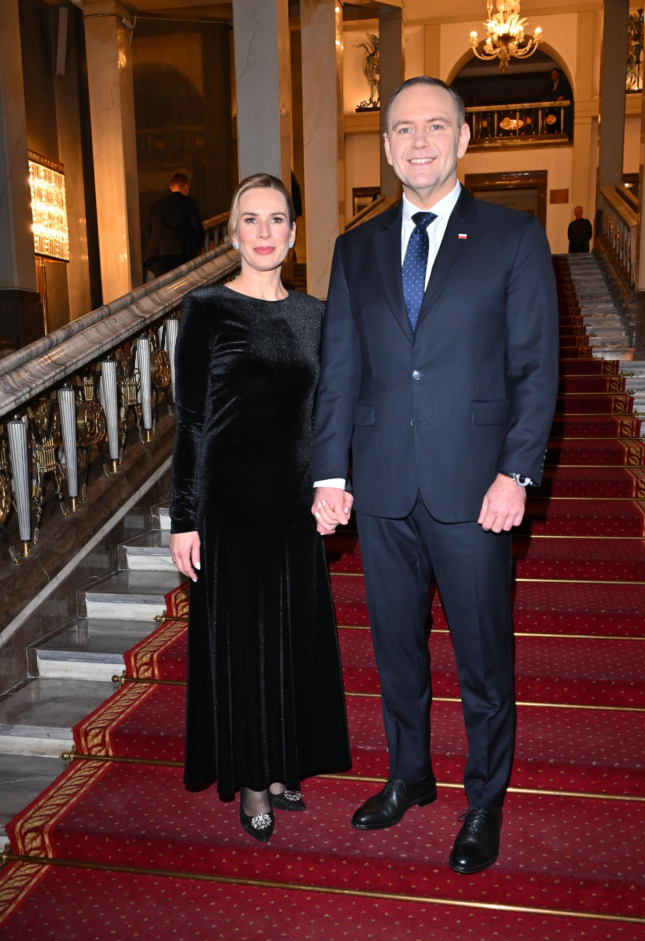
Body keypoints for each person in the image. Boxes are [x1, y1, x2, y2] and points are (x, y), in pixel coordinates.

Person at [311, 77, 558, 875]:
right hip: (382, 487)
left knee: (482, 659)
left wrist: (515, 473)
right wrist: (328, 472)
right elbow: (338, 371)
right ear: (386, 146)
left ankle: (483, 798)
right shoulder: (355, 249)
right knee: (395, 651)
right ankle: (409, 775)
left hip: (474, 489)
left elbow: (534, 367)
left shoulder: (514, 237)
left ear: (462, 139)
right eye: (402, 129)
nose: (418, 142)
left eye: (434, 127)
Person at [169, 173, 351, 843]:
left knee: (291, 635)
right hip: (230, 503)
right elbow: (191, 421)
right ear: (232, 234)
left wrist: (333, 483)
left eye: (276, 219)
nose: (264, 231)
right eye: (251, 219)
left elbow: (330, 413)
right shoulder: (206, 307)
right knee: (245, 642)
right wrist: (184, 517)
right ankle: (252, 777)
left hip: (294, 501)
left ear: (294, 233)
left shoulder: (316, 315)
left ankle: (282, 764)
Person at [143, 172, 205, 281]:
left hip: (159, 256)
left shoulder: (155, 206)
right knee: (184, 285)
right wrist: (198, 245)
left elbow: (149, 234)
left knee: (164, 287)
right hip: (182, 253)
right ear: (186, 187)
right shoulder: (189, 203)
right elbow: (198, 230)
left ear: (171, 187)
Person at [542, 67, 571, 134]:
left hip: (560, 109)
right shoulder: (550, 85)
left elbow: (569, 93)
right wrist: (552, 91)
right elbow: (543, 93)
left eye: (555, 74)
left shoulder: (563, 83)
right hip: (551, 109)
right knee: (550, 126)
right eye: (552, 74)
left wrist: (562, 97)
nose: (553, 76)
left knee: (559, 125)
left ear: (558, 74)